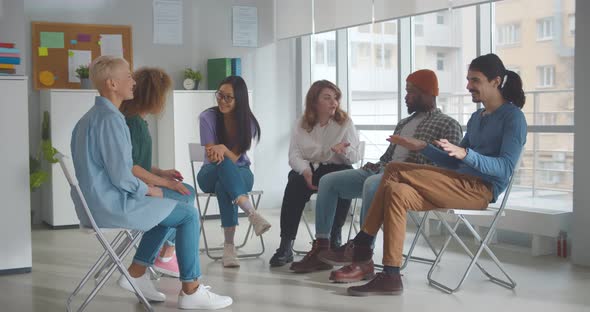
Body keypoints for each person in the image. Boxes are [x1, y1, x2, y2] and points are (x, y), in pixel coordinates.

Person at [322, 53, 527, 296]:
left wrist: (466, 154)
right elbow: (453, 162)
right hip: (457, 182)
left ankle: (363, 242)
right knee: (395, 190)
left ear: (496, 81)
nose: (468, 86)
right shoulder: (476, 118)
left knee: (395, 170)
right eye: (468, 79)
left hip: (481, 190)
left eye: (475, 80)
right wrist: (422, 147)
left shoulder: (513, 117)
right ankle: (391, 275)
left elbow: (505, 167)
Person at [71, 55, 232, 309]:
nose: (133, 82)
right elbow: (122, 175)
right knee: (188, 214)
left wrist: (153, 186)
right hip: (112, 205)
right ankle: (190, 290)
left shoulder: (90, 118)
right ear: (112, 84)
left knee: (170, 211)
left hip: (98, 203)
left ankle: (138, 273)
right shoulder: (112, 121)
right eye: (128, 77)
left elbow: (117, 169)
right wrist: (150, 189)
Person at [293, 70, 463, 278]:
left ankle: (362, 258)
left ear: (426, 93)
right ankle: (322, 247)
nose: (405, 96)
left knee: (373, 184)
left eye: (410, 92)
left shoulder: (447, 124)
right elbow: (388, 157)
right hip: (383, 171)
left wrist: (421, 151)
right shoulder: (404, 123)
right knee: (328, 181)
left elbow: (448, 166)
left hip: (409, 179)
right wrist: (376, 165)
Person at [270, 80, 361, 269]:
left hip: (337, 166)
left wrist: (341, 151)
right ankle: (286, 246)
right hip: (310, 168)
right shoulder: (301, 123)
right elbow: (294, 155)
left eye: (335, 98)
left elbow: (355, 157)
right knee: (294, 184)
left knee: (345, 179)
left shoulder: (345, 123)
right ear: (314, 102)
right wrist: (305, 171)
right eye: (327, 98)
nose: (333, 102)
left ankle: (333, 240)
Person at [119, 67, 195, 278]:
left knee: (185, 194)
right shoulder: (133, 123)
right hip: (136, 192)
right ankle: (163, 256)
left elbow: (137, 162)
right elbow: (131, 167)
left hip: (140, 187)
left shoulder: (136, 121)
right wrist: (164, 182)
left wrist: (160, 172)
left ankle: (158, 257)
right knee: (184, 199)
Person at [197, 75, 270, 268]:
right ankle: (251, 213)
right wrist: (219, 150)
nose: (222, 100)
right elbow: (213, 156)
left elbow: (237, 158)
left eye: (228, 97)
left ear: (240, 100)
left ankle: (229, 247)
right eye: (220, 95)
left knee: (225, 185)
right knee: (223, 167)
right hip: (209, 173)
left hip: (240, 173)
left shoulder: (248, 123)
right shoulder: (207, 117)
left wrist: (222, 149)